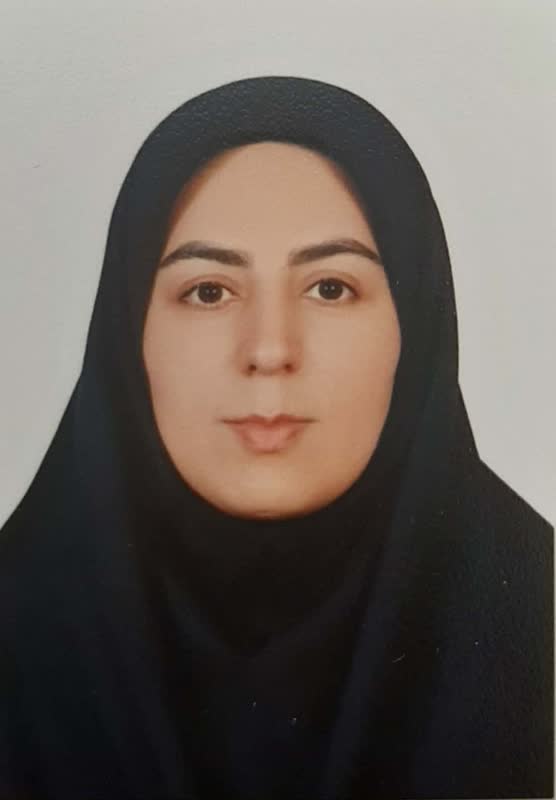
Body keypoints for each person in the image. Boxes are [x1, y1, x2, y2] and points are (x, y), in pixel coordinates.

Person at [0, 76, 552, 799]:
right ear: (129, 334)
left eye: (330, 288)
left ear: (414, 329)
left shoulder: (538, 619)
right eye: (208, 291)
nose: (268, 349)